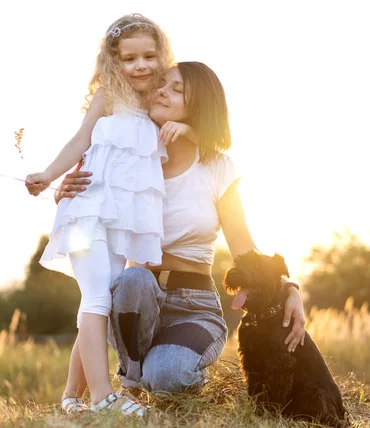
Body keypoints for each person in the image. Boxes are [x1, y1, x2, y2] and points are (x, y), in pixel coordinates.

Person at [51, 62, 307, 400]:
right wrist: (65, 189)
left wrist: (289, 286)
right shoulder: (130, 159)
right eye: (162, 84)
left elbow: (245, 249)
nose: (161, 91)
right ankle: (130, 384)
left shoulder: (218, 167)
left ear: (198, 106)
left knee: (168, 379)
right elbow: (88, 206)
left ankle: (168, 372)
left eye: (176, 89)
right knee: (132, 279)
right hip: (136, 301)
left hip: (195, 304)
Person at [25, 14, 174, 416]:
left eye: (148, 56)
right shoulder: (108, 97)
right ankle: (103, 397)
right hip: (82, 213)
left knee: (97, 301)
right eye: (129, 59)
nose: (139, 65)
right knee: (95, 298)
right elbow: (80, 141)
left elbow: (196, 125)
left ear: (161, 56)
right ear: (113, 61)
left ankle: (72, 397)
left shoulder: (159, 103)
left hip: (118, 219)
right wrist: (49, 176)